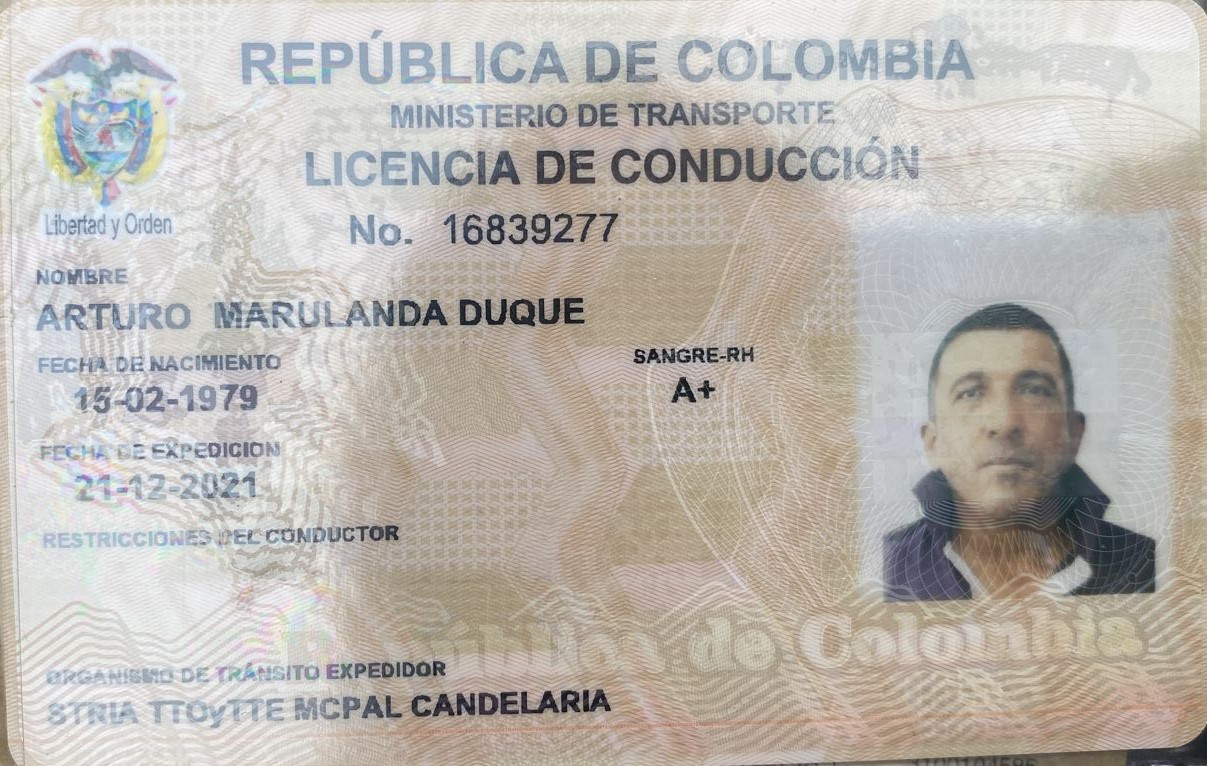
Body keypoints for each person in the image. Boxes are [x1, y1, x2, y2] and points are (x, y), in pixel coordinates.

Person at [883, 303, 1155, 601]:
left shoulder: (1146, 566)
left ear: (1074, 434)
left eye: (1034, 390)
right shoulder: (884, 571)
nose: (1004, 423)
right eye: (970, 392)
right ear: (933, 443)